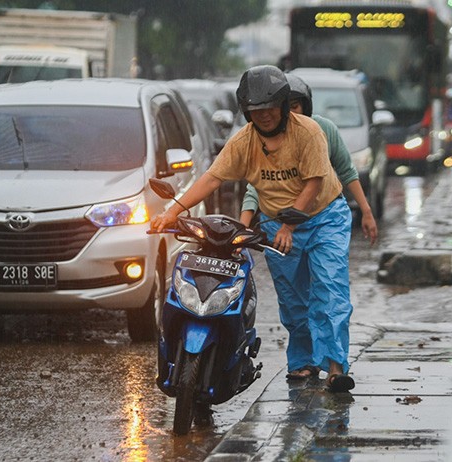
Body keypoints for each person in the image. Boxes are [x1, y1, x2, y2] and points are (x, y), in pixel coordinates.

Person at [151, 65, 355, 392]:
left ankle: (335, 367)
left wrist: (290, 224)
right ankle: (302, 361)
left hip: (323, 217)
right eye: (256, 110)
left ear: (285, 105)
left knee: (329, 290)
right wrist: (173, 210)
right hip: (277, 224)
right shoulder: (243, 142)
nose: (264, 116)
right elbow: (213, 178)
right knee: (292, 300)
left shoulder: (310, 132)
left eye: (271, 108)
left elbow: (315, 183)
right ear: (247, 112)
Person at [240, 73, 378, 246]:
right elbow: (255, 186)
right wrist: (242, 230)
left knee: (329, 271)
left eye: (294, 107)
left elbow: (346, 171)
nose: (289, 115)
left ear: (306, 107)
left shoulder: (323, 129)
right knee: (287, 272)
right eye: (282, 108)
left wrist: (366, 211)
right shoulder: (263, 136)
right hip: (282, 221)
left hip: (323, 218)